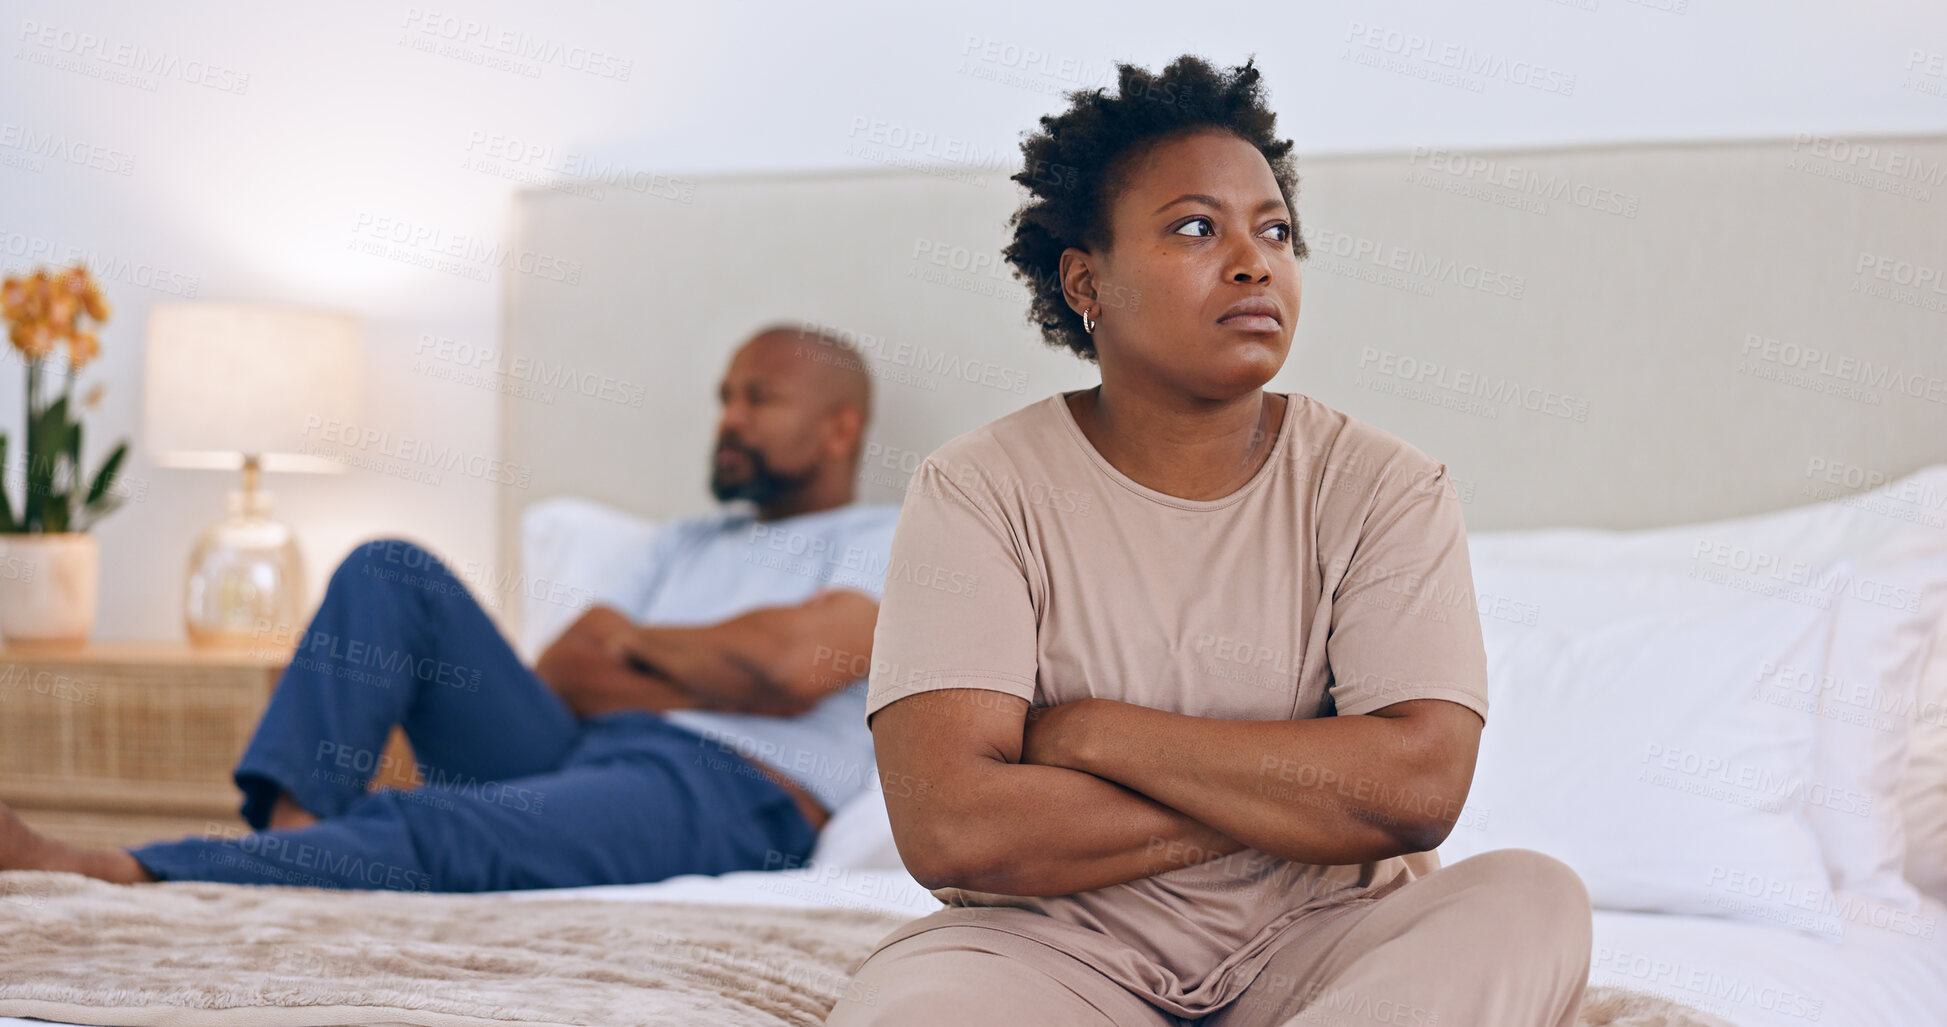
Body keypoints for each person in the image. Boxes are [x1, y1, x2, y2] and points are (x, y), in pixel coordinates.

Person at [825, 56, 1592, 1027]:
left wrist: (1100, 736)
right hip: (1052, 952)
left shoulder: (1385, 487)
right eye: (1197, 227)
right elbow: (953, 825)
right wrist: (1304, 790)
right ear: (1085, 280)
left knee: (1531, 897)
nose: (1253, 260)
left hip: (1330, 945)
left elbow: (1418, 787)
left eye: (1275, 231)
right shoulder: (978, 490)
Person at [0, 326, 900, 893]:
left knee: (453, 825)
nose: (728, 418)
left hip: (733, 791)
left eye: (758, 398)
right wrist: (723, 664)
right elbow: (566, 673)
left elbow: (795, 669)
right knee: (390, 566)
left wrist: (639, 650)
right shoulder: (682, 543)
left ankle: (122, 866)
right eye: (724, 397)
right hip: (577, 749)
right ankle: (292, 848)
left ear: (839, 428)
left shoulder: (893, 531)